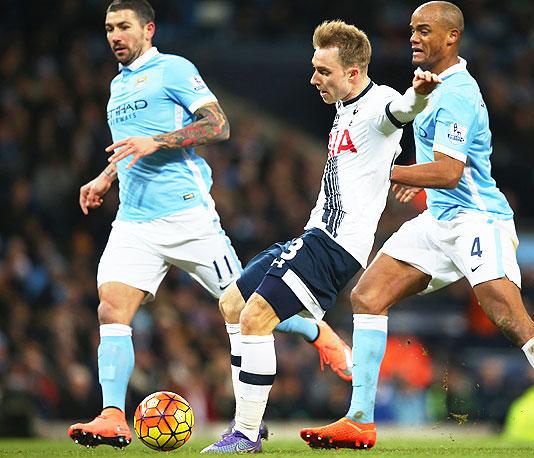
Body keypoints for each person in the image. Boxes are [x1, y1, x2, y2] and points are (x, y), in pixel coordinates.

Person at [300, 2, 534, 454]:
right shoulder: (429, 86)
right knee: (367, 295)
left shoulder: (459, 94)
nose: (413, 38)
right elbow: (435, 171)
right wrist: (412, 177)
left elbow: (449, 171)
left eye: (424, 31)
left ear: (451, 38)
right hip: (440, 220)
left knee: (508, 317)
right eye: (411, 30)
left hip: (478, 220)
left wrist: (385, 171)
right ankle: (360, 421)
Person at [68, 0, 352, 449]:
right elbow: (129, 149)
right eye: (108, 28)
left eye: (124, 26)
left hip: (188, 219)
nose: (115, 35)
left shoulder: (174, 70)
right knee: (110, 309)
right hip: (134, 222)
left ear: (149, 30)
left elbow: (218, 125)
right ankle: (112, 417)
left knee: (245, 307)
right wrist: (104, 177)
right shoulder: (116, 88)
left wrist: (158, 141)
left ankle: (315, 330)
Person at [200, 19, 441, 454]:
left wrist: (419, 95)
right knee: (231, 303)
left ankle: (246, 434)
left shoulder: (378, 103)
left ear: (353, 73)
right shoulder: (344, 107)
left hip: (334, 248)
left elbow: (400, 111)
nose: (313, 78)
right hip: (313, 235)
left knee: (255, 319)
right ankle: (311, 342)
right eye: (314, 68)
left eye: (323, 71)